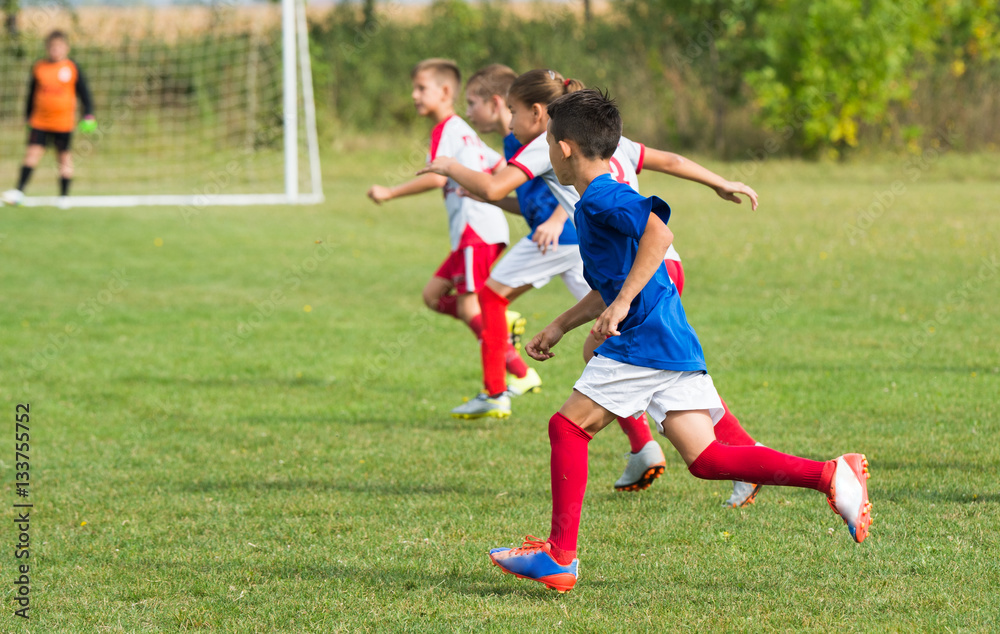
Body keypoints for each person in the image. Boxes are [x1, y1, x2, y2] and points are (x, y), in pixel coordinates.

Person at [486, 89, 873, 593]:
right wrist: (562, 323)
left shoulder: (603, 194)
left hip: (642, 338)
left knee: (568, 428)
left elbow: (658, 235)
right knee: (707, 459)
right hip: (667, 338)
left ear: (563, 148)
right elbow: (610, 282)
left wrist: (622, 305)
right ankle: (830, 474)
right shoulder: (590, 201)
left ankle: (560, 556)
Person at [420, 69, 764, 504]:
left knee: (637, 372)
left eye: (514, 111)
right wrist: (720, 181)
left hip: (637, 267)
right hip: (651, 266)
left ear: (540, 115)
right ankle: (675, 451)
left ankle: (695, 453)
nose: (509, 120)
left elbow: (492, 186)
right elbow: (672, 162)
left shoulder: (551, 146)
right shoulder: (605, 140)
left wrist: (449, 167)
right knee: (626, 361)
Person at [366, 59, 528, 384]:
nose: (414, 95)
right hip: (480, 230)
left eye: (421, 88)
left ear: (444, 92)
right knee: (433, 295)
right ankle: (499, 329)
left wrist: (390, 192)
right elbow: (499, 164)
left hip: (476, 229)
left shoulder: (446, 129)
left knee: (470, 309)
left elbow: (437, 179)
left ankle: (519, 373)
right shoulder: (465, 131)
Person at [450, 63, 586, 419]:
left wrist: (557, 220)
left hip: (560, 238)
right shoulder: (517, 140)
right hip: (573, 243)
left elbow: (574, 183)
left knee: (490, 296)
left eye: (472, 103)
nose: (467, 113)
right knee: (616, 330)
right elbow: (528, 200)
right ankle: (644, 444)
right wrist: (488, 198)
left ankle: (497, 390)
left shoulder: (534, 141)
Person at [2, 30, 96, 209]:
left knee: (64, 158)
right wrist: (27, 116)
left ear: (66, 48)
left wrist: (88, 114)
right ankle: (19, 191)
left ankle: (64, 197)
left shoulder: (71, 67)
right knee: (31, 154)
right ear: (47, 48)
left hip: (63, 122)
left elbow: (84, 93)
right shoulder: (39, 67)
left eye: (59, 46)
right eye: (52, 47)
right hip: (40, 121)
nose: (56, 50)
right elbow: (31, 94)